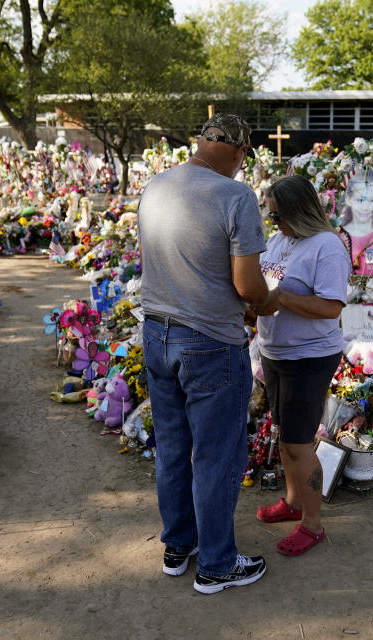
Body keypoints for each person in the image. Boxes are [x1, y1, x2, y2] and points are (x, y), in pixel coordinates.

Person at [138, 113, 277, 594]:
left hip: (157, 333)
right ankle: (217, 565)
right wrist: (267, 301)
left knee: (173, 448)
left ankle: (179, 545)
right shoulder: (235, 195)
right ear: (239, 153)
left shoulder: (157, 185)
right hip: (210, 342)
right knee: (217, 455)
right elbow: (247, 284)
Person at [253, 175, 351, 555]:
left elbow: (331, 308)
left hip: (308, 357)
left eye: (278, 215)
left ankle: (312, 524)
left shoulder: (327, 246)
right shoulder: (280, 241)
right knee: (284, 436)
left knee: (299, 443)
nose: (273, 222)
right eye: (271, 215)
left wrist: (282, 300)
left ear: (298, 212)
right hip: (276, 353)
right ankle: (293, 502)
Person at [338, 169, 373, 275]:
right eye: (360, 200)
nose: (365, 207)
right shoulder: (339, 234)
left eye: (372, 201)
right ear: (349, 199)